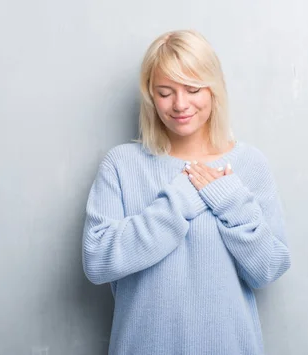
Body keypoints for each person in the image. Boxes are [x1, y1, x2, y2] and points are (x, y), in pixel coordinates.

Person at [81, 29, 291, 355]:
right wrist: (179, 200)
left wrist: (231, 203)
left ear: (213, 90)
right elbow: (96, 261)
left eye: (193, 89)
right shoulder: (121, 165)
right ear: (150, 95)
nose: (180, 104)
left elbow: (268, 269)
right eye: (165, 92)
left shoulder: (249, 165)